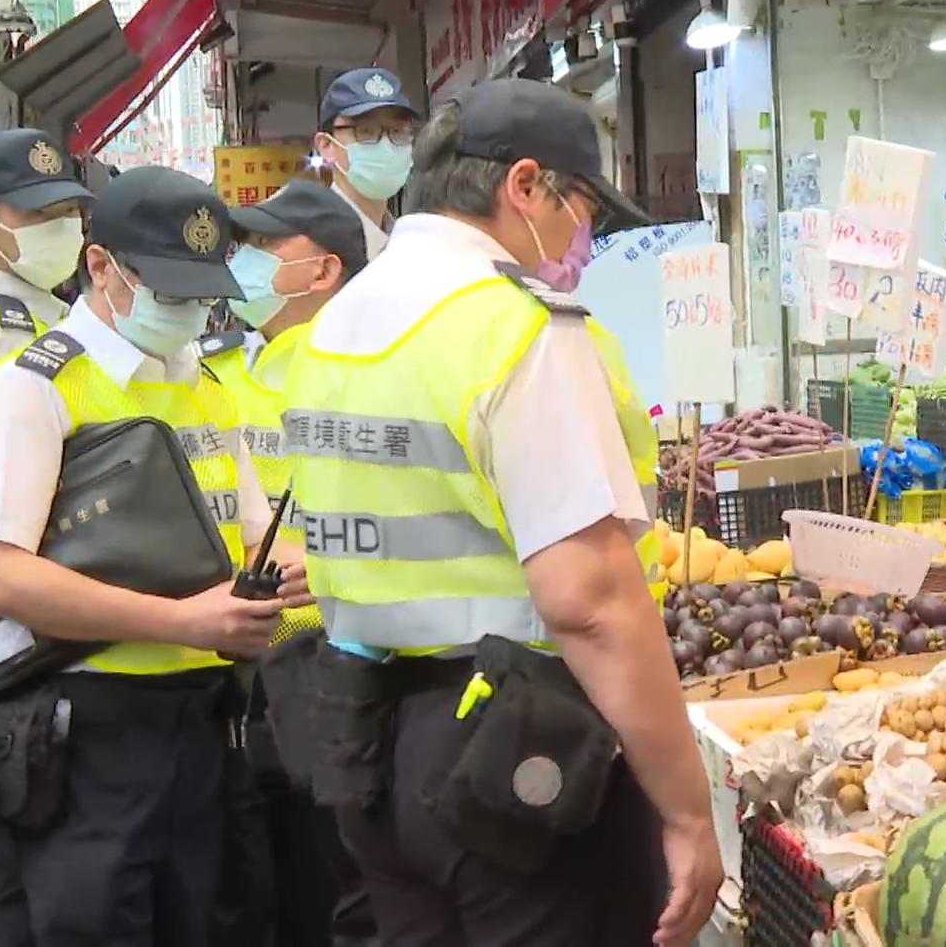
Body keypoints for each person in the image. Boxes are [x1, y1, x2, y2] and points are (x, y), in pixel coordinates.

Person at [280, 78, 721, 944]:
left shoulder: (337, 322)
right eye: (581, 207)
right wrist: (687, 810)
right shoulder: (513, 327)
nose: (583, 236)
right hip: (511, 751)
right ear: (524, 187)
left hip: (365, 739)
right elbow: (587, 601)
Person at [0, 166, 308, 943]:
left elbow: (254, 531)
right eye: (169, 288)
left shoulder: (204, 386)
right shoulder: (33, 390)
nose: (190, 310)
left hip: (202, 724)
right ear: (102, 268)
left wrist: (298, 567)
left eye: (201, 291)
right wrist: (180, 621)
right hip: (82, 732)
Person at [202, 180, 374, 947]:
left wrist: (335, 564)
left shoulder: (363, 367)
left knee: (325, 884)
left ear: (324, 271)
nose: (243, 262)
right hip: (242, 668)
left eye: (266, 248)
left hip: (333, 666)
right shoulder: (226, 370)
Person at [0, 129, 93, 378]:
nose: (62, 224)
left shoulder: (49, 311)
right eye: (40, 212)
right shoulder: (4, 337)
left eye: (71, 209)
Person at [313, 67, 420, 260]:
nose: (386, 146)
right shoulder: (308, 244)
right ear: (327, 145)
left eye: (397, 131)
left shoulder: (410, 245)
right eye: (365, 131)